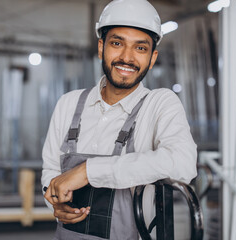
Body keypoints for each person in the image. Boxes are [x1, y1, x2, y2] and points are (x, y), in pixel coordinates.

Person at [41, 0, 197, 239]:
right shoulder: (69, 104)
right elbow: (51, 169)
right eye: (117, 43)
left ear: (152, 58)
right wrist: (55, 203)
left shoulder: (159, 104)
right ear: (101, 47)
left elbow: (182, 164)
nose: (127, 57)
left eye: (140, 48)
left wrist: (87, 171)